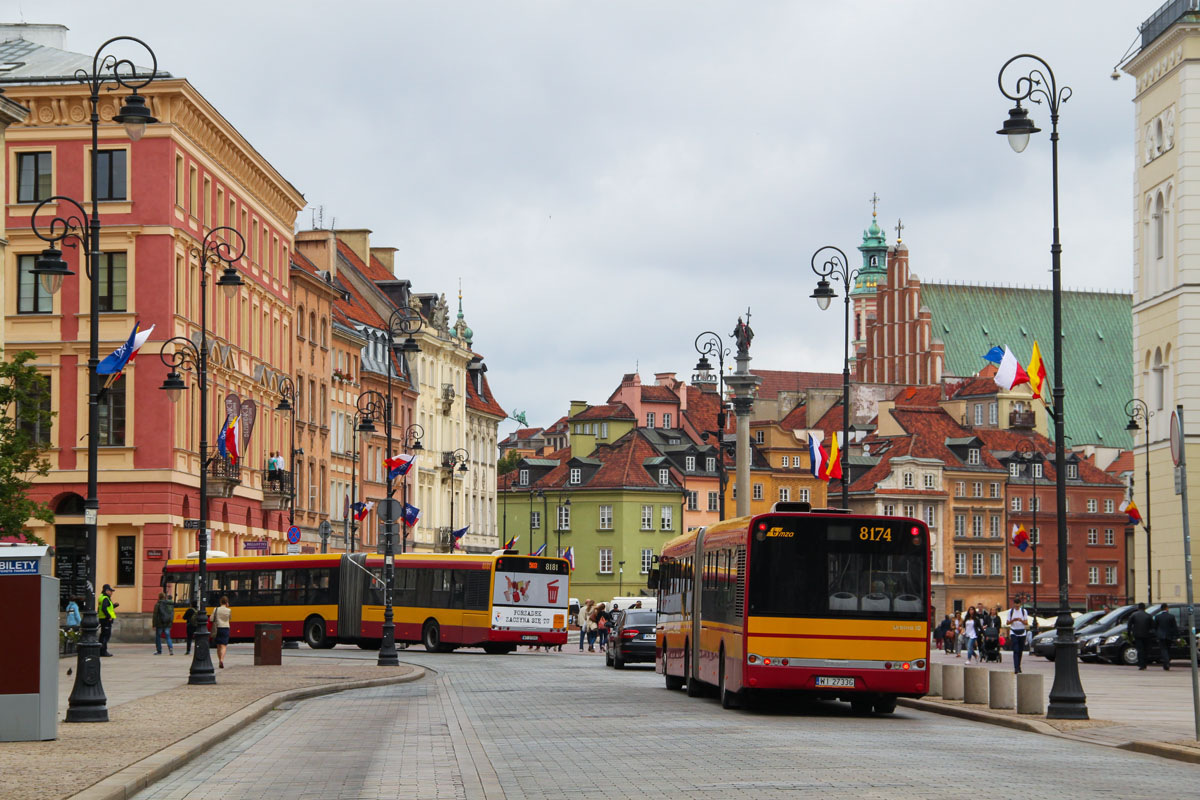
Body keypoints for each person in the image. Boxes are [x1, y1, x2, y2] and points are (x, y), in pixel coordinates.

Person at [1127, 602, 1154, 670]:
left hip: (1137, 635)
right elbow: (1152, 626)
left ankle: (1141, 664)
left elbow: (1129, 625)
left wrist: (1129, 634)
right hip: (1146, 635)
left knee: (1140, 649)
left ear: (1138, 608)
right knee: (1145, 650)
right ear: (1144, 608)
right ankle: (1144, 664)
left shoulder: (1134, 615)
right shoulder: (1148, 615)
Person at [1006, 598, 1030, 674]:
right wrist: (1013, 620)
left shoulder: (1024, 611)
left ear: (1020, 604)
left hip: (1022, 632)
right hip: (1013, 631)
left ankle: (1019, 665)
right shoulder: (1010, 611)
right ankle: (1016, 667)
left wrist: (1021, 620)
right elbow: (1007, 623)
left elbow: (1026, 623)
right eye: (1015, 604)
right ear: (1014, 604)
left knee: (1020, 650)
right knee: (1015, 650)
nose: (1017, 606)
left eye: (1018, 604)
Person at [211, 595, 232, 668]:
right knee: (224, 645)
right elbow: (230, 618)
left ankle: (219, 659)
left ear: (220, 602)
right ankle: (222, 660)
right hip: (225, 628)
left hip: (217, 628)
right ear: (227, 602)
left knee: (218, 646)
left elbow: (211, 619)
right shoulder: (228, 610)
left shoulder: (216, 609)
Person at [1155, 605, 1179, 671]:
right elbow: (1174, 627)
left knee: (1163, 649)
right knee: (1168, 649)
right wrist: (1177, 636)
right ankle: (1167, 662)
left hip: (1161, 636)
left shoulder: (1157, 617)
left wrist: (1157, 634)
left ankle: (1166, 663)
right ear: (1167, 608)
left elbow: (1155, 627)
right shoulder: (1171, 616)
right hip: (1169, 636)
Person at [98, 584, 118, 656]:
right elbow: (104, 608)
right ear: (106, 591)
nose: (111, 593)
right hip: (106, 620)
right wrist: (109, 616)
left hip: (102, 618)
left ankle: (100, 650)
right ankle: (103, 651)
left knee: (103, 635)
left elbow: (107, 607)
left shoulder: (101, 597)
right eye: (110, 591)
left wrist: (114, 605)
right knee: (106, 636)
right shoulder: (105, 598)